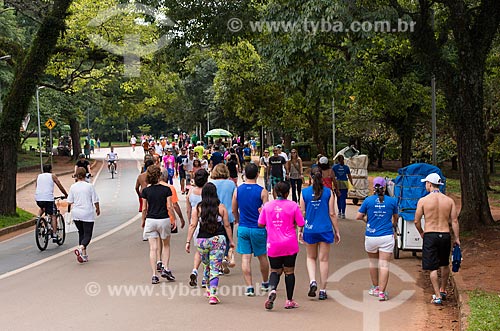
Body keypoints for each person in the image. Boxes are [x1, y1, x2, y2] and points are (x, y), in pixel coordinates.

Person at [185, 183, 235, 305]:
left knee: (207, 264)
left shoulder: (198, 208)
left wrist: (188, 241)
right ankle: (213, 293)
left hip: (202, 241)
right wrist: (231, 241)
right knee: (215, 266)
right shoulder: (221, 207)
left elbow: (193, 225)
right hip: (218, 240)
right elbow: (227, 225)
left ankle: (207, 287)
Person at [258, 181, 305, 310]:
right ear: (287, 193)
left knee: (275, 271)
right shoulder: (293, 206)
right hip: (289, 244)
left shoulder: (267, 206)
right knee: (289, 272)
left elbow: (260, 224)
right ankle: (289, 300)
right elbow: (301, 223)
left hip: (273, 244)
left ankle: (272, 290)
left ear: (274, 192)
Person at [415, 173, 460, 305]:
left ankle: (438, 295)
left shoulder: (423, 201)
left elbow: (416, 220)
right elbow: (455, 221)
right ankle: (443, 289)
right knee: (444, 264)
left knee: (432, 267)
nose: (425, 185)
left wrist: (421, 232)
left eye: (426, 183)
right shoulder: (449, 201)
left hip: (430, 235)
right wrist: (457, 238)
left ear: (429, 184)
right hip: (445, 234)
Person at [300, 169, 341, 300]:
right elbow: (332, 213)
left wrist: (300, 230)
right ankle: (323, 290)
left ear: (310, 177)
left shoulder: (304, 193)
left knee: (311, 257)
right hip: (325, 229)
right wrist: (337, 231)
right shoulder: (329, 192)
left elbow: (302, 213)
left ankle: (312, 281)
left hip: (310, 229)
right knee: (324, 260)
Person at [356, 177, 398, 301]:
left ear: (373, 188)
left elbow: (358, 216)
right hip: (386, 236)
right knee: (384, 265)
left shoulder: (368, 201)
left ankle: (375, 287)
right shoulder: (392, 201)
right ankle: (382, 292)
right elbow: (396, 217)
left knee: (373, 262)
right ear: (385, 188)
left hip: (371, 236)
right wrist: (393, 225)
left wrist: (367, 221)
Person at [232, 163, 270, 296]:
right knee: (262, 256)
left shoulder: (238, 190)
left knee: (245, 258)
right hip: (258, 228)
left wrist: (237, 219)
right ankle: (265, 283)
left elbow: (233, 209)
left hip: (243, 226)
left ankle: (249, 287)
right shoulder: (262, 191)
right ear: (257, 174)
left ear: (244, 174)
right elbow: (267, 211)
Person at [141, 165, 176, 284]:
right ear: (159, 176)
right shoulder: (166, 190)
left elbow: (144, 208)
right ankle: (166, 268)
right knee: (166, 245)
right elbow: (170, 206)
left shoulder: (145, 191)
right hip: (164, 219)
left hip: (151, 220)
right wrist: (174, 219)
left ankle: (154, 275)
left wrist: (143, 220)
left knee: (153, 248)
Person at [68, 167, 100, 263]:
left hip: (76, 213)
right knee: (87, 235)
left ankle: (84, 255)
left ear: (76, 175)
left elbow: (70, 201)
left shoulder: (73, 187)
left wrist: (69, 212)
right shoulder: (89, 186)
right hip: (87, 213)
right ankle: (81, 248)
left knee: (81, 233)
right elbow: (95, 199)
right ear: (85, 175)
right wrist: (98, 208)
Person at [211, 164, 237, 273]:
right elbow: (235, 199)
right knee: (227, 238)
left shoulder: (211, 183)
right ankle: (226, 256)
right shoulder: (231, 184)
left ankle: (218, 261)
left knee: (216, 239)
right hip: (229, 214)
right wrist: (236, 214)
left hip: (214, 215)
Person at [187, 169, 210, 287]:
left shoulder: (191, 192)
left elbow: (188, 210)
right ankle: (205, 278)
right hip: (208, 224)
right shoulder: (208, 192)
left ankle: (195, 270)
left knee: (199, 250)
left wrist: (190, 222)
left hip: (195, 225)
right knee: (208, 252)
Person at [34, 164, 68, 242]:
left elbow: (37, 186)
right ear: (51, 170)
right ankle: (55, 235)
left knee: (42, 208)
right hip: (48, 198)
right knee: (53, 215)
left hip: (38, 198)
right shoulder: (52, 176)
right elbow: (59, 185)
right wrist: (66, 194)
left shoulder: (38, 176)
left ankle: (38, 217)